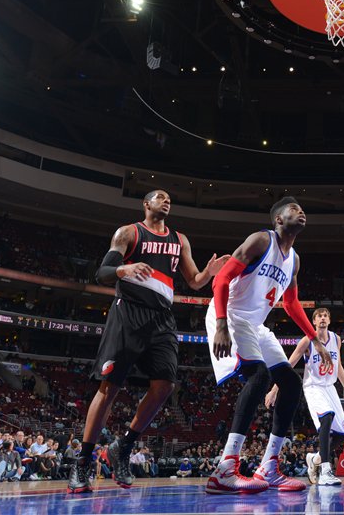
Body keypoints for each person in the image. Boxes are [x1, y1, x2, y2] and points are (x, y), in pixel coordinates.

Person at [67, 190, 230, 494]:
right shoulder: (129, 233)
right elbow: (102, 273)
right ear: (146, 204)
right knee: (109, 387)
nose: (166, 201)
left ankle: (123, 446)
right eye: (159, 197)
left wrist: (209, 272)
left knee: (165, 385)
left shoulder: (180, 239)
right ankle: (83, 462)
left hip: (162, 318)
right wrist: (124, 268)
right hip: (129, 312)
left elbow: (194, 281)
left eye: (169, 198)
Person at [205, 197, 332, 495]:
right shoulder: (261, 240)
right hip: (231, 315)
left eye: (302, 208)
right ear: (278, 219)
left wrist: (315, 339)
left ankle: (269, 467)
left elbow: (291, 304)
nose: (301, 211)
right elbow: (221, 279)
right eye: (293, 209)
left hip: (256, 324)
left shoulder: (294, 260)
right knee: (259, 376)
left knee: (290, 383)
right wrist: (221, 324)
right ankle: (225, 469)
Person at [265, 308, 344, 486]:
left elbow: (338, 365)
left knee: (342, 435)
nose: (322, 318)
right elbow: (289, 364)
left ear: (329, 320)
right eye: (319, 316)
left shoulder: (336, 339)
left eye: (325, 316)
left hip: (330, 387)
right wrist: (275, 389)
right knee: (326, 417)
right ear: (313, 321)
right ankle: (325, 471)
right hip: (313, 386)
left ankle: (314, 459)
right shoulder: (307, 341)